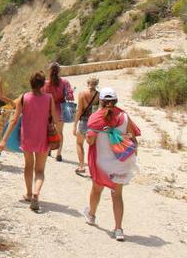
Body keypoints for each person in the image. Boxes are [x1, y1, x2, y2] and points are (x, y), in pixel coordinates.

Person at [83, 87, 140, 242]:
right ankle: (118, 229)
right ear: (116, 100)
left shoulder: (95, 118)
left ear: (100, 101)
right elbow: (133, 139)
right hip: (120, 162)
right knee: (117, 195)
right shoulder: (124, 116)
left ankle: (92, 216)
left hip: (101, 163)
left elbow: (90, 140)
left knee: (96, 190)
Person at [0, 71, 60, 212]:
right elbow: (56, 119)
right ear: (43, 84)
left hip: (27, 137)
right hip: (43, 138)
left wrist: (4, 140)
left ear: (30, 83)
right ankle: (36, 193)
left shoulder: (24, 97)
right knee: (40, 170)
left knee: (28, 165)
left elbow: (14, 120)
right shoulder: (49, 98)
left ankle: (28, 193)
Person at [43, 62, 73, 161]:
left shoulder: (45, 84)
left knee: (48, 131)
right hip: (61, 109)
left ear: (49, 71)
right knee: (60, 132)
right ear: (59, 71)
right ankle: (59, 154)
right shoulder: (65, 82)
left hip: (48, 110)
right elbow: (70, 96)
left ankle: (48, 150)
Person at [72, 77, 100, 176]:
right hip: (94, 123)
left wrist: (75, 125)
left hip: (84, 122)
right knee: (93, 146)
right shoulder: (99, 95)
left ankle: (81, 166)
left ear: (87, 83)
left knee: (79, 143)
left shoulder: (82, 94)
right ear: (97, 84)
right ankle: (93, 168)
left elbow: (79, 110)